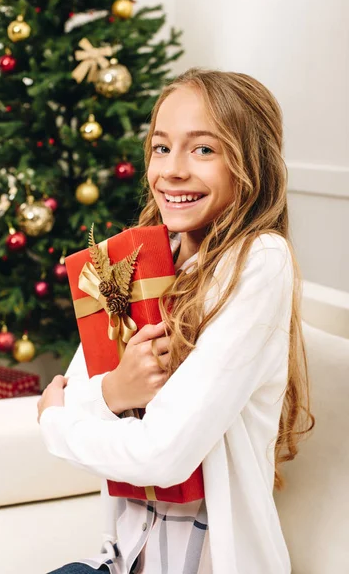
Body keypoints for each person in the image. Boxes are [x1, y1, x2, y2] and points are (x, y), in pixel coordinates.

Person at [38, 68, 315, 574]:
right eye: (161, 147)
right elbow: (70, 387)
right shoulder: (136, 260)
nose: (173, 170)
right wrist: (115, 392)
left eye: (203, 150)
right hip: (120, 562)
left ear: (250, 164)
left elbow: (160, 455)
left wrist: (57, 425)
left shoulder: (257, 262)